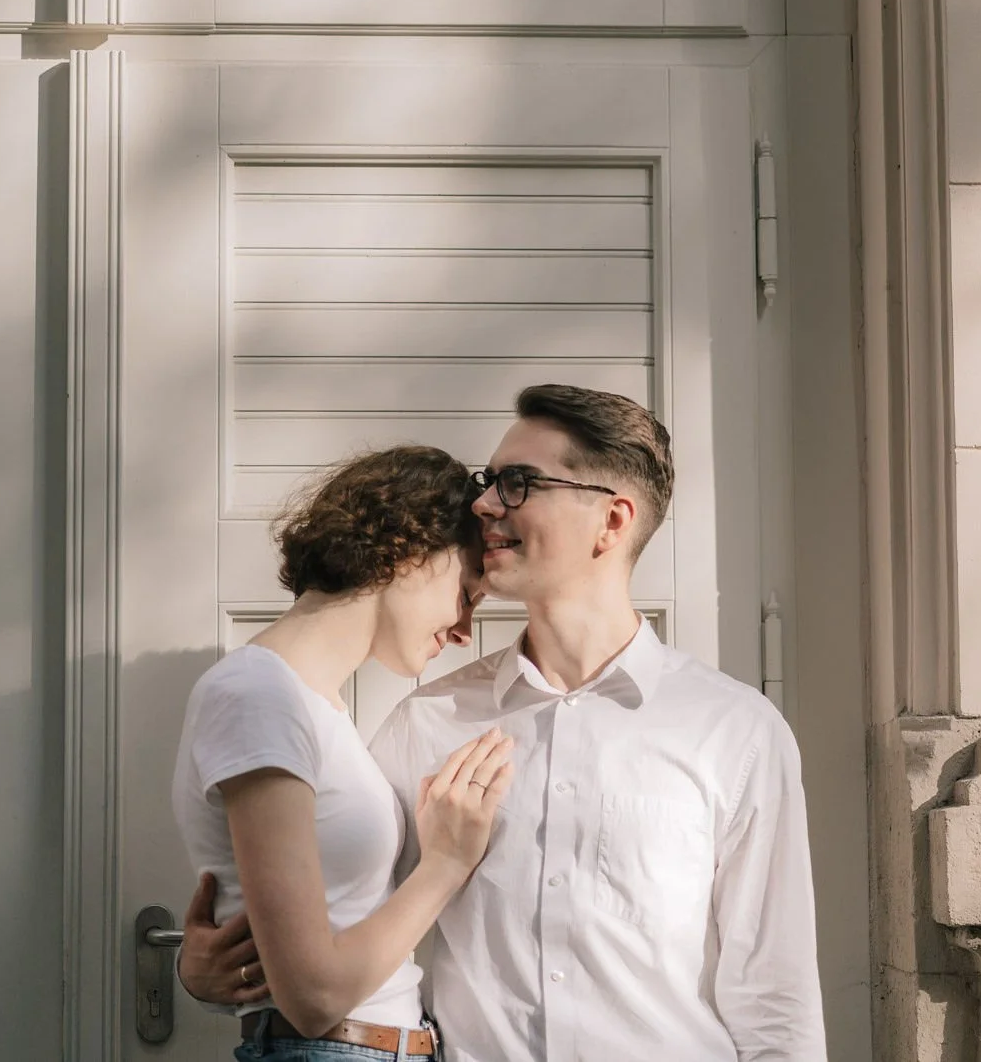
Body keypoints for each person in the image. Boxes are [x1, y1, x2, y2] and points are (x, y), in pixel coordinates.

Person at [182, 384, 828, 1062]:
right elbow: (333, 911)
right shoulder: (428, 722)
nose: (485, 503)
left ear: (612, 522)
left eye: (518, 483)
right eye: (492, 481)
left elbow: (775, 999)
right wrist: (206, 975)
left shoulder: (735, 733)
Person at [172, 444, 513, 1061]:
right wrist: (447, 863)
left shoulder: (307, 703)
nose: (465, 628)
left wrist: (203, 978)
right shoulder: (258, 695)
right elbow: (314, 996)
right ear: (410, 553)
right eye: (467, 590)